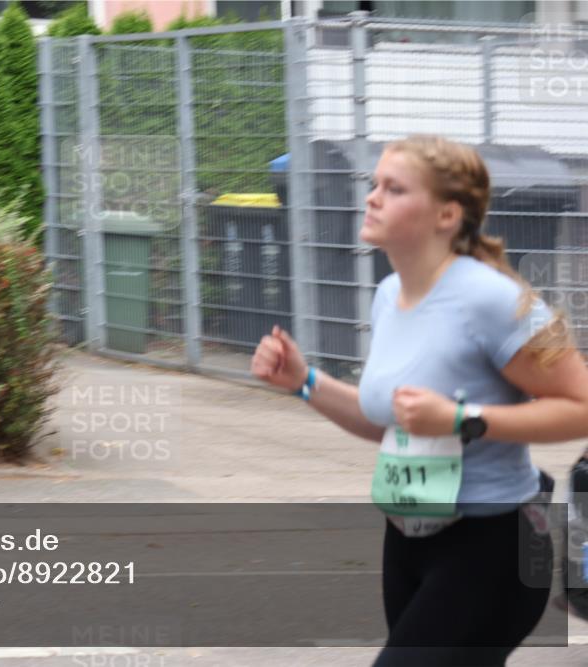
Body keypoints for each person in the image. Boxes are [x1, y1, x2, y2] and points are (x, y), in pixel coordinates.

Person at [251, 134, 588, 665]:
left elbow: (580, 405)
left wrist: (463, 419)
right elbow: (388, 421)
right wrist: (304, 381)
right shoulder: (390, 294)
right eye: (374, 184)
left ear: (446, 215)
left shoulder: (489, 299)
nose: (372, 197)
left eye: (394, 188)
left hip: (495, 545)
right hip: (409, 536)